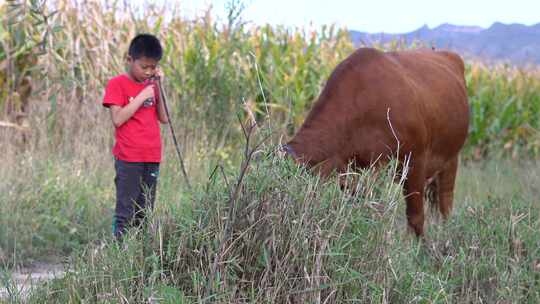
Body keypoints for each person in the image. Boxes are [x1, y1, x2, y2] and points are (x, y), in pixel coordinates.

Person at [102, 33, 168, 240]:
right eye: (144, 67)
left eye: (153, 67)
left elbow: (165, 118)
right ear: (130, 60)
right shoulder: (117, 84)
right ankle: (118, 252)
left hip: (152, 155)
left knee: (145, 211)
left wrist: (160, 87)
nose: (148, 72)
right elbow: (118, 119)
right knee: (125, 210)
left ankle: (139, 258)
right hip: (129, 157)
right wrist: (141, 96)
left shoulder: (152, 85)